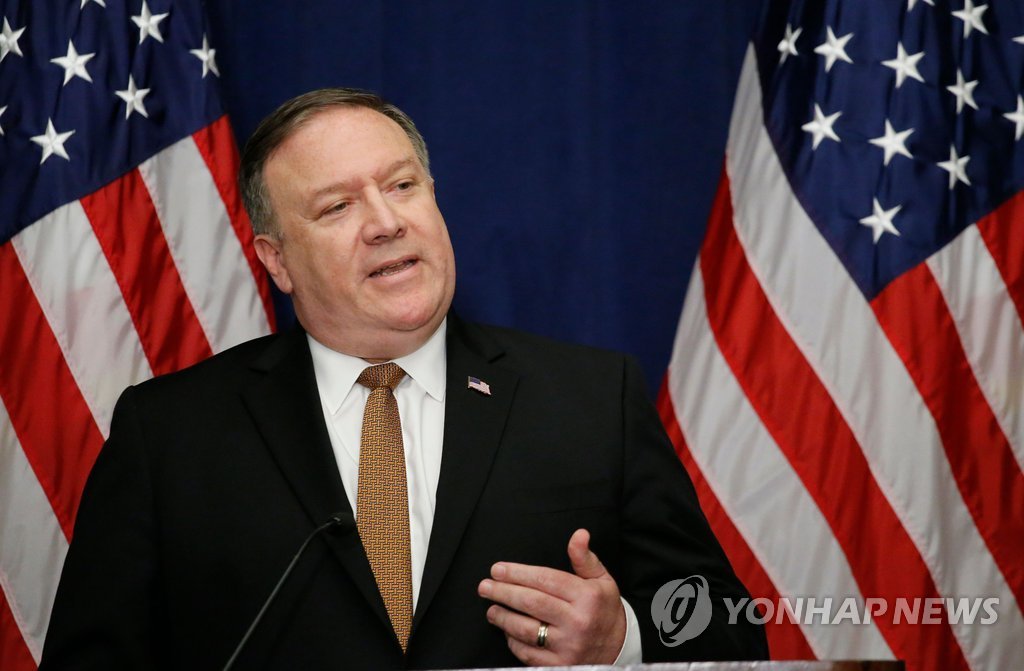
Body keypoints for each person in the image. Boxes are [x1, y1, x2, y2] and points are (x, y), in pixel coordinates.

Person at [40, 89, 767, 669]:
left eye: (402, 185)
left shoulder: (590, 398)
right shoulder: (169, 432)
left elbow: (726, 623)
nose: (386, 221)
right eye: (337, 206)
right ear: (277, 259)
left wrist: (622, 637)